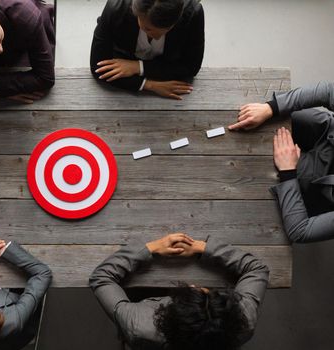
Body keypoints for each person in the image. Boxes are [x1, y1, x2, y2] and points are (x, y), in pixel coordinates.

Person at [89, 233, 269, 349]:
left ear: (169, 317)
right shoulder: (244, 320)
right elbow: (257, 269)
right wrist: (203, 248)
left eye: (192, 293)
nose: (194, 286)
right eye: (208, 293)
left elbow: (101, 277)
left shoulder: (138, 324)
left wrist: (149, 249)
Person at [228, 81, 334, 243]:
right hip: (325, 133)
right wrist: (271, 108)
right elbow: (329, 91)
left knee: (258, 164)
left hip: (320, 180)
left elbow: (300, 232)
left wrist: (287, 171)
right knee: (269, 116)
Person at [90, 0, 204, 100]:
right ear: (136, 13)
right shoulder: (116, 8)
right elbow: (98, 67)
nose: (156, 35)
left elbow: (191, 67)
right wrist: (149, 85)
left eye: (166, 29)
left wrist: (138, 67)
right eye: (147, 28)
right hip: (124, 61)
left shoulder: (193, 13)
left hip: (164, 64)